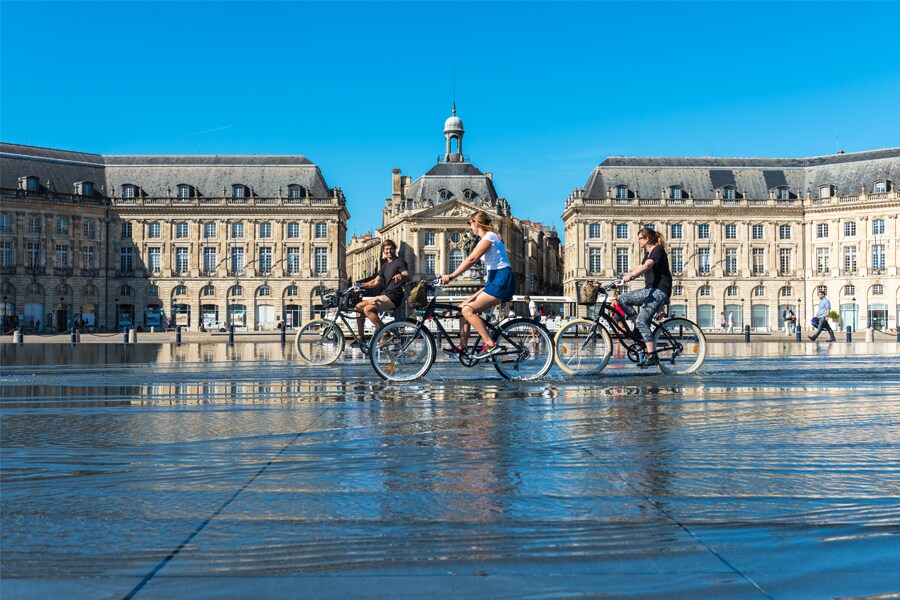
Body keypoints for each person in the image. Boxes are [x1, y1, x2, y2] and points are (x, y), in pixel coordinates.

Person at [441, 210, 515, 359]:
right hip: (494, 279)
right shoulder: (487, 238)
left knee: (468, 311)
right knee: (462, 308)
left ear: (476, 223)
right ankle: (462, 346)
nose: (470, 226)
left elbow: (472, 258)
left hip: (501, 279)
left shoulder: (490, 237)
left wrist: (452, 276)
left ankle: (490, 344)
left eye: (470, 223)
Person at [618, 226, 672, 368]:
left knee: (642, 321)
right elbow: (641, 267)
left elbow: (647, 266)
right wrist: (619, 280)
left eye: (640, 238)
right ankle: (638, 325)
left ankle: (652, 355)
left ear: (647, 239)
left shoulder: (657, 250)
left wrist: (630, 276)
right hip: (650, 291)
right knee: (622, 299)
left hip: (660, 291)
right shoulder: (647, 254)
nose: (638, 241)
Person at [354, 239, 409, 345]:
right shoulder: (385, 266)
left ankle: (385, 333)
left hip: (394, 296)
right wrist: (359, 285)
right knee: (358, 307)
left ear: (394, 249)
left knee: (368, 309)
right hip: (384, 295)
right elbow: (375, 282)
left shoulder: (400, 262)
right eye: (387, 249)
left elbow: (407, 275)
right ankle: (361, 337)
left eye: (391, 249)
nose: (389, 251)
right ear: (384, 251)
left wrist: (401, 275)